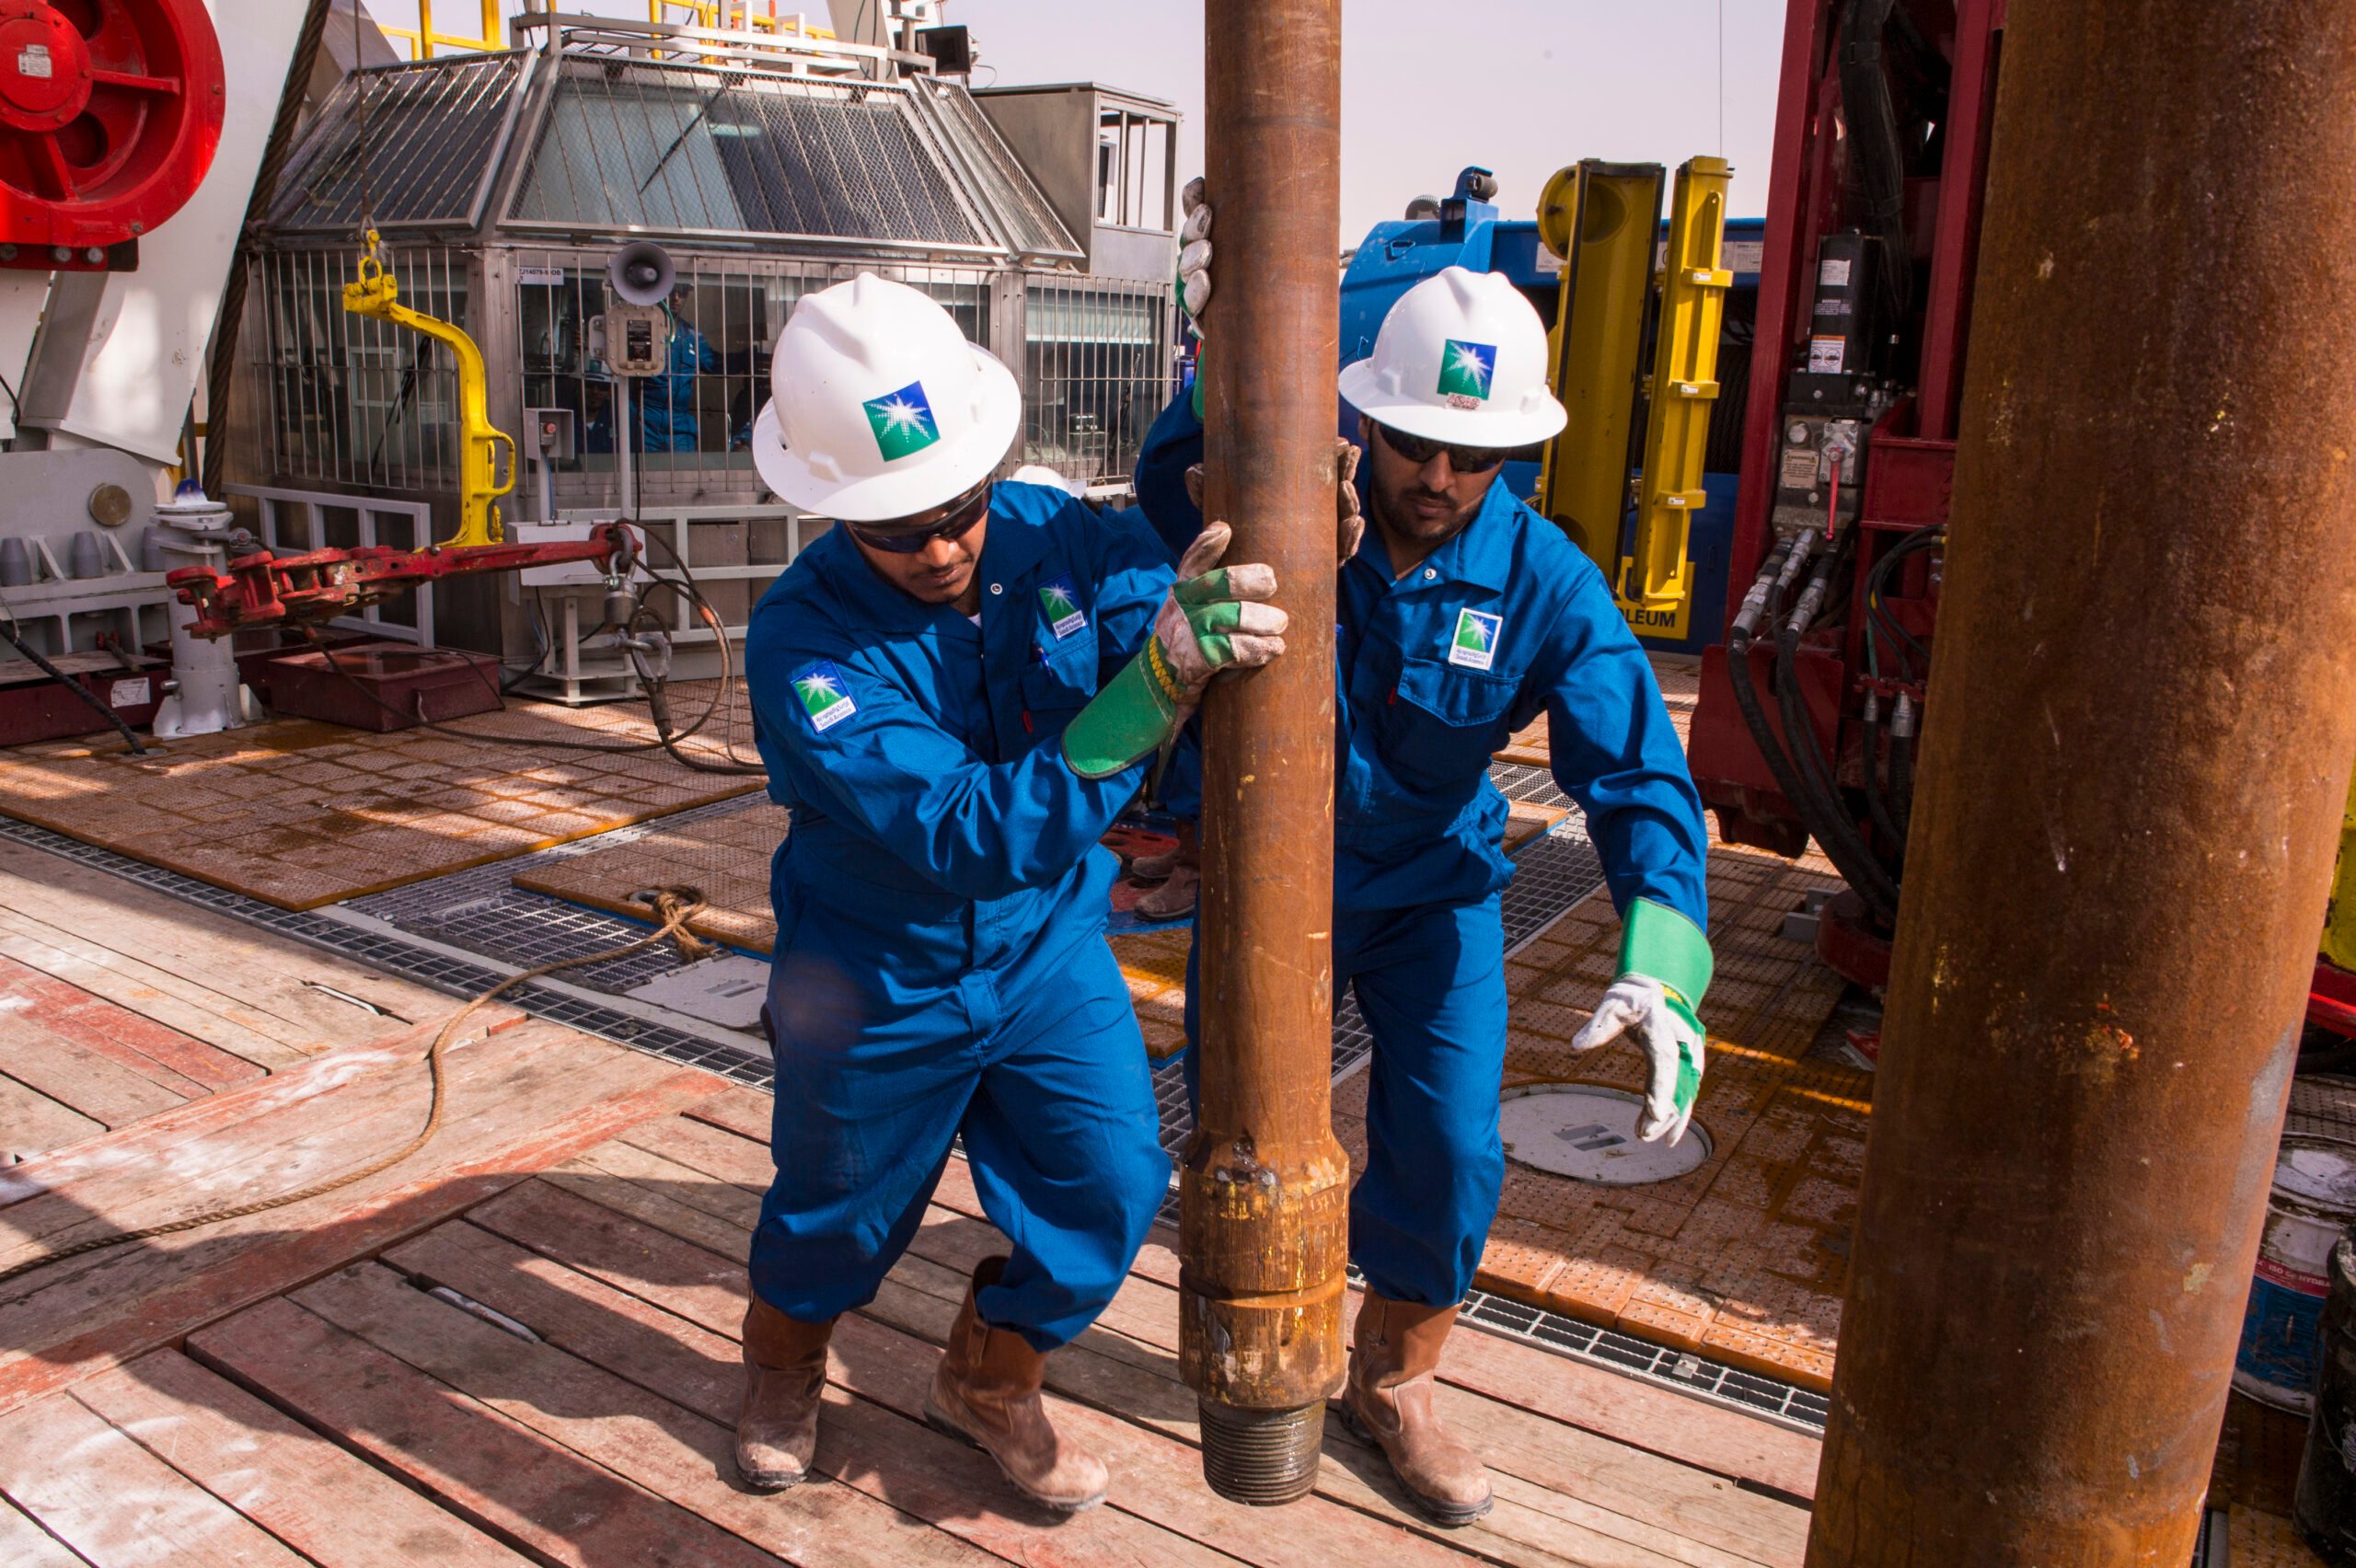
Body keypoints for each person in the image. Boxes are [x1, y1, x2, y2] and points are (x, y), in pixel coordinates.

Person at [1140, 248, 1714, 1527]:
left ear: (1516, 455)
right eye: (1409, 443)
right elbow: (1153, 490)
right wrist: (1225, 344)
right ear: (1366, 416)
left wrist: (1668, 957)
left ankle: (1392, 1381)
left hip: (1432, 888)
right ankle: (1247, 1337)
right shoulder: (1295, 507)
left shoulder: (1543, 580)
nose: (1436, 479)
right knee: (1235, 1117)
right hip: (1267, 875)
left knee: (1451, 1147)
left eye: (1471, 457)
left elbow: (1635, 764)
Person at [738, 272, 1289, 1512]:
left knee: (1110, 1186)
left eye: (958, 509)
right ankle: (784, 1364)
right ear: (831, 507)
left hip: (1044, 956)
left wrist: (1285, 562)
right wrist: (1154, 683)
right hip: (880, 975)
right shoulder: (805, 649)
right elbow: (972, 831)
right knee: (835, 1213)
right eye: (898, 531)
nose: (939, 549)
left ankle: (991, 1375)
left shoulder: (1059, 535)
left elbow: (1170, 605)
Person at [637, 282, 720, 453]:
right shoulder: (641, 329)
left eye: (682, 293)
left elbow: (716, 365)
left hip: (680, 426)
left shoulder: (691, 335)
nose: (676, 298)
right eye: (671, 291)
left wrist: (750, 358)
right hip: (645, 423)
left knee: (684, 475)